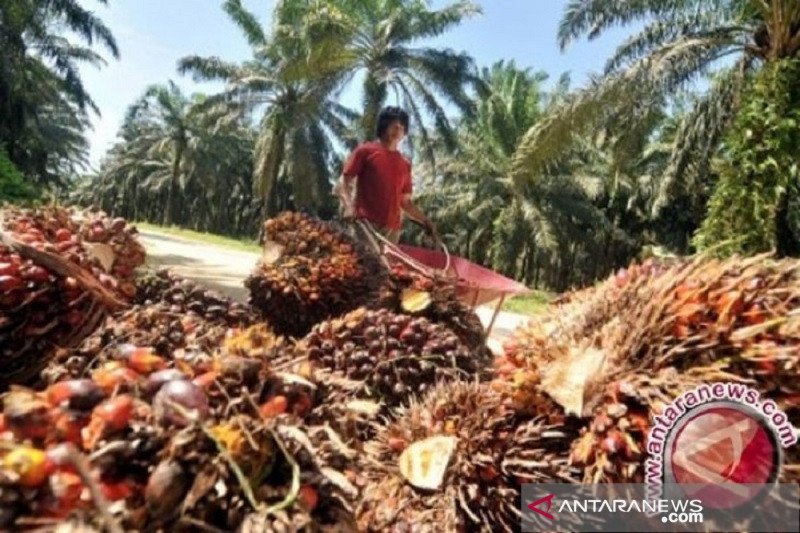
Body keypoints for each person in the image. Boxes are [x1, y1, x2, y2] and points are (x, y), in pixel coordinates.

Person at [335, 106, 438, 243]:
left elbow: (405, 202)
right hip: (365, 225)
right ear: (384, 126)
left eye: (402, 127)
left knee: (386, 265)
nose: (398, 130)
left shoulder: (405, 163)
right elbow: (343, 182)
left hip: (392, 231)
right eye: (394, 126)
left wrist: (424, 220)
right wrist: (348, 207)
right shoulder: (365, 151)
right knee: (363, 262)